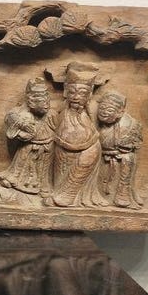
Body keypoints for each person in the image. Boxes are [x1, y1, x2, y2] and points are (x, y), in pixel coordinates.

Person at [49, 61, 107, 207]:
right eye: (72, 92)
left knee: (79, 173)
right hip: (62, 148)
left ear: (89, 94)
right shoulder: (60, 109)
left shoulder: (92, 110)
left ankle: (69, 196)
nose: (76, 97)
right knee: (60, 177)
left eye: (82, 93)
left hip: (88, 150)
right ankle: (58, 194)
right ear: (65, 91)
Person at [0, 77, 56, 198]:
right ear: (31, 103)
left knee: (43, 170)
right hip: (28, 148)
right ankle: (15, 181)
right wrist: (22, 127)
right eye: (42, 103)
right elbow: (11, 118)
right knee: (21, 166)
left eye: (48, 102)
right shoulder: (22, 114)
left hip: (47, 149)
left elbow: (58, 130)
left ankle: (43, 186)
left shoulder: (51, 114)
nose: (46, 105)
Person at [97, 91, 143, 208]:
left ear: (120, 112)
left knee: (128, 158)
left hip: (119, 157)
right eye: (102, 108)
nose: (104, 112)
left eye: (109, 110)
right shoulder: (95, 121)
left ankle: (123, 190)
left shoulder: (130, 125)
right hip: (99, 155)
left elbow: (136, 143)